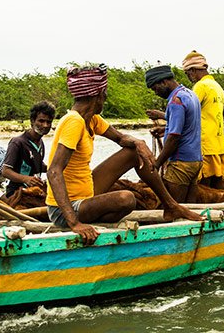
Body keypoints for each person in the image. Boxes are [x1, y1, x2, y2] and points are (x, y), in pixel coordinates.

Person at [47, 63, 203, 244]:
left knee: (133, 153)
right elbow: (53, 171)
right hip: (66, 209)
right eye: (104, 94)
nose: (105, 98)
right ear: (97, 94)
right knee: (126, 198)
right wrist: (74, 223)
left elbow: (121, 139)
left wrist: (139, 143)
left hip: (86, 192)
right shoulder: (74, 122)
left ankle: (171, 206)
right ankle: (85, 220)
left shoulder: (92, 119)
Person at [145, 64, 203, 202]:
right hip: (196, 160)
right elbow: (187, 126)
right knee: (190, 207)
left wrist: (157, 163)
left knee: (174, 206)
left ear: (164, 82)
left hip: (181, 163)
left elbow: (174, 138)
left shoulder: (176, 101)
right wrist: (165, 130)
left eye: (155, 88)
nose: (156, 93)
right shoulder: (190, 94)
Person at [182, 50, 224, 188]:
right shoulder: (217, 86)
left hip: (205, 145)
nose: (189, 77)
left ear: (193, 70)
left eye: (188, 73)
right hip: (218, 145)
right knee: (217, 185)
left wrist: (162, 116)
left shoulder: (200, 86)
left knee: (203, 187)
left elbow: (188, 112)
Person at [1, 101, 55, 198]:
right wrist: (26, 179)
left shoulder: (40, 143)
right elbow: (6, 171)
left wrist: (53, 168)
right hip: (17, 192)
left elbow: (36, 163)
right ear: (32, 121)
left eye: (49, 122)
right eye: (41, 121)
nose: (45, 125)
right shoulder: (17, 142)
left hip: (34, 190)